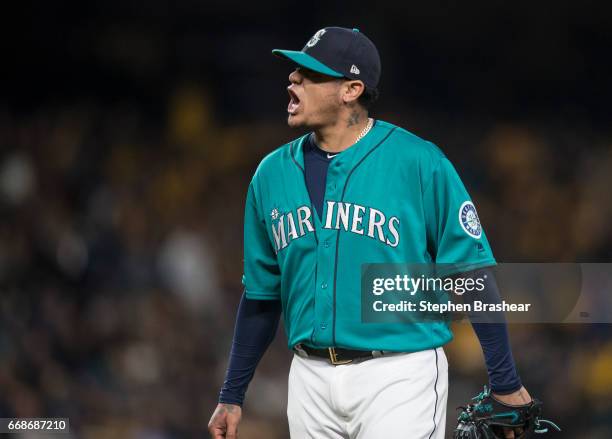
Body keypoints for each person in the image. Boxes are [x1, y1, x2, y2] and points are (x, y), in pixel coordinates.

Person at [208, 27, 532, 439]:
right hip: (308, 379)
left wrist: (505, 382)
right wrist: (232, 393)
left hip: (399, 374)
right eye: (295, 71)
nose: (293, 79)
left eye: (310, 73)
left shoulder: (418, 162)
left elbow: (470, 273)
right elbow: (260, 296)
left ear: (351, 89)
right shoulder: (270, 175)